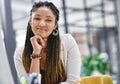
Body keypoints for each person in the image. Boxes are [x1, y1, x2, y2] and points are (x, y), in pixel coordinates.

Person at [14, 1, 81, 84]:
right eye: (37, 18)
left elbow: (73, 82)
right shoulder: (20, 53)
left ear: (55, 25)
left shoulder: (68, 42)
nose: (42, 24)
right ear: (30, 21)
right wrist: (36, 52)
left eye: (48, 20)